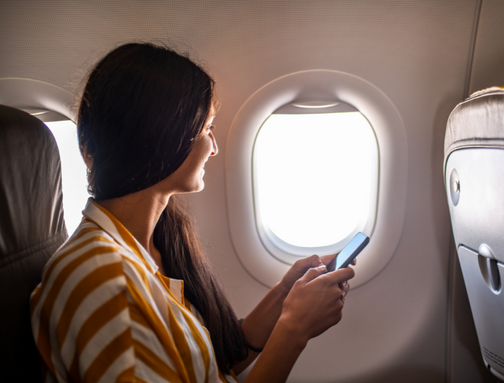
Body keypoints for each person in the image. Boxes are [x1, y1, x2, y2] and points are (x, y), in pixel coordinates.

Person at [30, 42, 355, 383]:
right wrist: (295, 329)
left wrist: (285, 296)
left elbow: (212, 365)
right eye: (207, 128)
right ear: (165, 137)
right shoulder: (103, 281)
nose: (214, 148)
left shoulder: (146, 248)